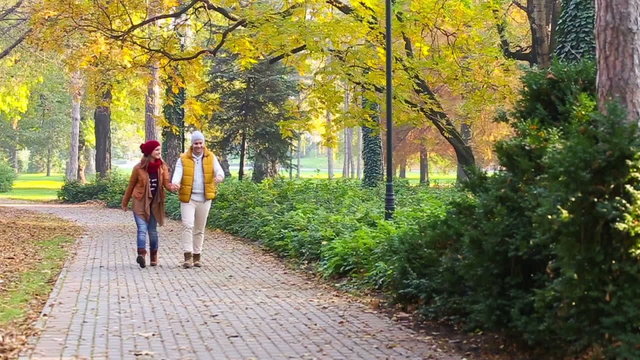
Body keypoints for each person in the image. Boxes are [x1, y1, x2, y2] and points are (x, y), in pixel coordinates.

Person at [171, 131, 225, 268]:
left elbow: (219, 171)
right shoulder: (183, 158)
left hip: (205, 198)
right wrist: (175, 182)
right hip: (188, 198)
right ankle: (187, 256)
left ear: (203, 143)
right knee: (187, 225)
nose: (198, 146)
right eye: (196, 143)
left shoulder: (211, 157)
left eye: (200, 143)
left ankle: (197, 256)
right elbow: (177, 173)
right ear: (192, 144)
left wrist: (219, 176)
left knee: (199, 229)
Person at [121, 140, 177, 268]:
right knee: (141, 229)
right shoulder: (138, 168)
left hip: (155, 203)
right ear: (149, 152)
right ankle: (141, 255)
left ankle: (153, 256)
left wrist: (172, 187)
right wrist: (125, 202)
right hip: (140, 202)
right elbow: (131, 186)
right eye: (156, 150)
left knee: (152, 231)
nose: (159, 152)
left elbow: (166, 183)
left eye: (159, 149)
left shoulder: (162, 167)